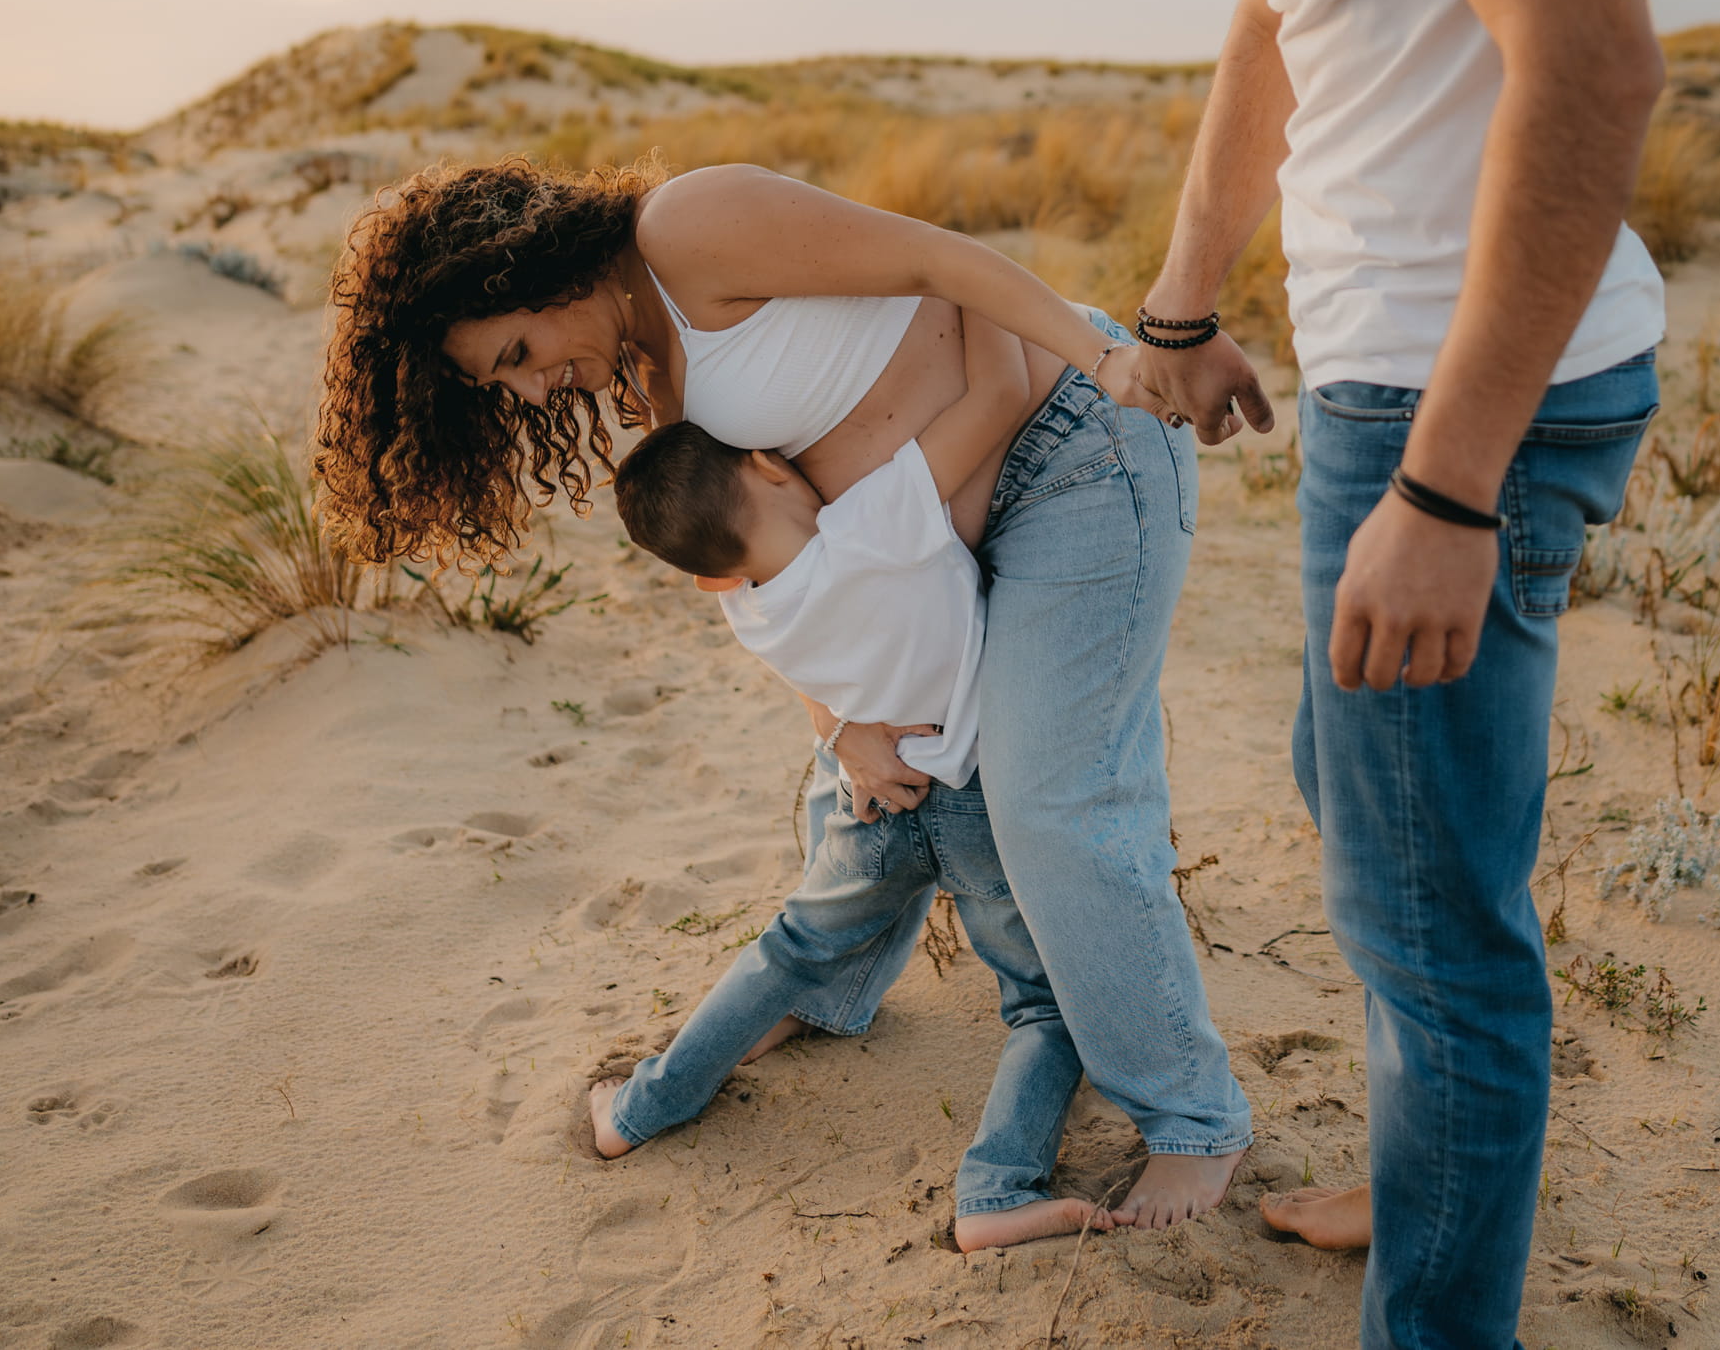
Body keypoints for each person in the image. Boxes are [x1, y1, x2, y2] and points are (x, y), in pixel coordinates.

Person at [317, 155, 1269, 1229]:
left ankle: (1193, 1121)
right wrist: (842, 723)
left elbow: (937, 258)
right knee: (856, 780)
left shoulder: (689, 230)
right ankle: (823, 987)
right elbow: (772, 584)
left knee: (1048, 800)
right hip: (936, 554)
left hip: (1070, 457)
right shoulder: (645, 376)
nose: (533, 389)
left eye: (518, 355)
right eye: (507, 388)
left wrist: (1107, 359)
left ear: (530, 275)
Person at [1134, 0, 1666, 1342]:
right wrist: (1180, 303)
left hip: (1451, 403)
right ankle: (1435, 1173)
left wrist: (1444, 490)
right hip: (1393, 383)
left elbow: (1596, 68)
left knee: (1431, 919)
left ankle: (1437, 1293)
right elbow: (1277, 11)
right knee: (1365, 800)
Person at [592, 312, 1106, 1250]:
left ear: (706, 579)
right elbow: (996, 397)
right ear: (776, 466)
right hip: (970, 797)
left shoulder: (749, 611)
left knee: (789, 950)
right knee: (1041, 1005)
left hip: (868, 806)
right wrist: (969, 293)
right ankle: (997, 1189)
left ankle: (638, 1110)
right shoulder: (874, 519)